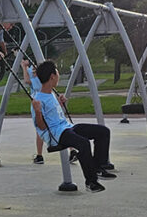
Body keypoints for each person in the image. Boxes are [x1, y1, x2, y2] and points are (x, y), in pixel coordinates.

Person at [30, 61, 116, 193]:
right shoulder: (37, 100)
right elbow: (41, 127)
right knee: (84, 143)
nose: (58, 75)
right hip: (57, 135)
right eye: (57, 72)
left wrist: (60, 103)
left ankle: (99, 167)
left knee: (103, 132)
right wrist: (37, 111)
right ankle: (91, 182)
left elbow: (55, 116)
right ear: (52, 76)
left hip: (67, 127)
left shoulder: (51, 93)